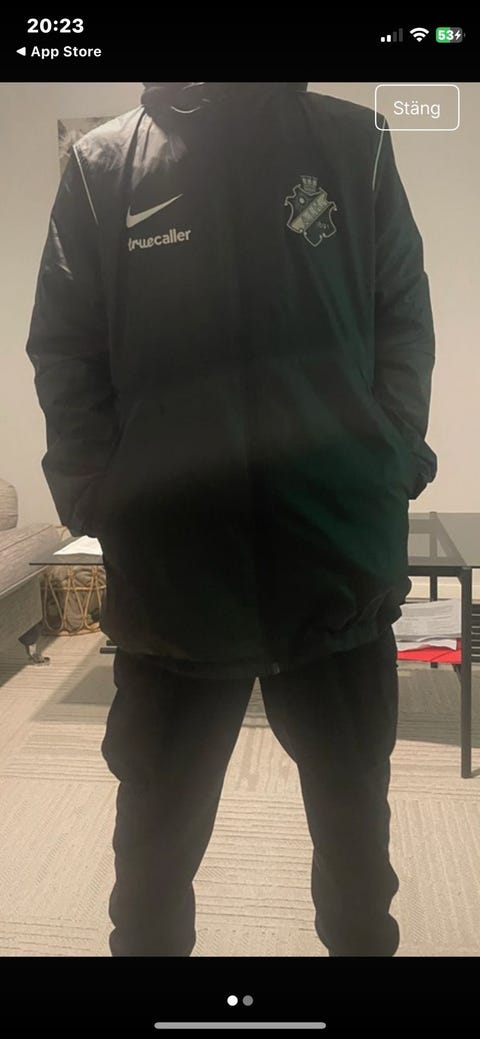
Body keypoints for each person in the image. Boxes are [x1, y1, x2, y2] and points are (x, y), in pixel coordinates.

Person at [26, 82, 437, 957]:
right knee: (150, 878)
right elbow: (65, 350)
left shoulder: (355, 144)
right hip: (173, 583)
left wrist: (389, 457)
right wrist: (100, 498)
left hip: (336, 565)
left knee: (360, 876)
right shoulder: (104, 166)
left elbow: (403, 317)